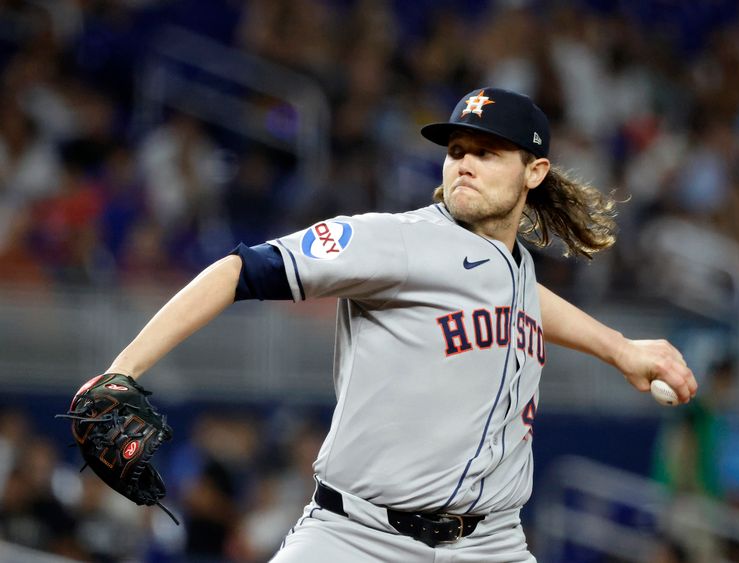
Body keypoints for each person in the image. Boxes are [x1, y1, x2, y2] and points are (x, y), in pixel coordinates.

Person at [103, 87, 697, 562]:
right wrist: (121, 372)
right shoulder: (396, 242)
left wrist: (620, 349)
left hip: (490, 543)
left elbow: (526, 300)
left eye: (486, 153)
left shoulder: (511, 266)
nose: (464, 164)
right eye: (456, 151)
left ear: (534, 172)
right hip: (358, 538)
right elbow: (238, 270)